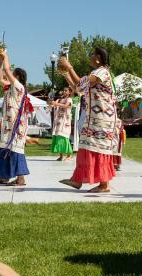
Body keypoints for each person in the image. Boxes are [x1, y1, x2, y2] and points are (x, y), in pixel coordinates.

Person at [58, 46, 120, 193]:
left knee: (98, 149)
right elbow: (79, 88)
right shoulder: (96, 73)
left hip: (102, 120)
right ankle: (77, 180)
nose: (90, 57)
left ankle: (104, 185)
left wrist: (70, 67)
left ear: (98, 58)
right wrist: (66, 74)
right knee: (85, 147)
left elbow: (82, 83)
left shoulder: (102, 71)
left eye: (92, 55)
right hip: (94, 118)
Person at [0, 45, 32, 186]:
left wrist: (5, 55)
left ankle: (20, 179)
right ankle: (4, 177)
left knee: (15, 149)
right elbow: (0, 78)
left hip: (16, 124)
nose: (10, 74)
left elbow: (7, 71)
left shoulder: (19, 87)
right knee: (4, 148)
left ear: (17, 77)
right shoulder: (10, 88)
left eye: (13, 73)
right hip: (8, 124)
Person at [48, 87, 73, 161]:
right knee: (58, 137)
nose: (64, 92)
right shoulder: (59, 100)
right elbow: (53, 105)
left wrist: (56, 103)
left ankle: (69, 155)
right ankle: (61, 155)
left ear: (69, 92)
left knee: (64, 137)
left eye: (66, 91)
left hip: (65, 121)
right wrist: (50, 103)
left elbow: (66, 106)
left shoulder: (69, 99)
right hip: (58, 121)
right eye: (64, 90)